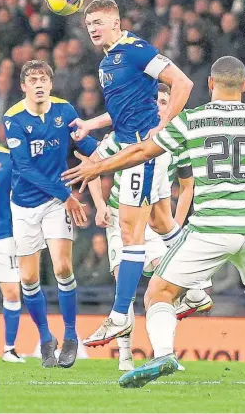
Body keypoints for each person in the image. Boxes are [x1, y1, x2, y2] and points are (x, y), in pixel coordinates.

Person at [63, 56, 245, 389]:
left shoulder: (192, 120)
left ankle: (163, 354)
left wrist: (98, 168)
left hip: (210, 228)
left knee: (158, 292)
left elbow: (142, 151)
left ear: (210, 84)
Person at [69, 0, 193, 342]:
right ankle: (197, 288)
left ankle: (120, 314)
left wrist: (164, 124)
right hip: (126, 140)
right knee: (158, 221)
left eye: (98, 22)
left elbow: (183, 83)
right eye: (88, 23)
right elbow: (122, 112)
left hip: (143, 149)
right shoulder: (108, 61)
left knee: (129, 231)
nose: (92, 28)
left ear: (116, 22)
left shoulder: (136, 49)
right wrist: (89, 124)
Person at [82, 83, 212, 371]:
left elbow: (187, 188)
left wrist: (175, 226)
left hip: (151, 219)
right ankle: (125, 358)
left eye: (166, 101)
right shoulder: (130, 135)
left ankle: (165, 349)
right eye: (158, 101)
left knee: (160, 287)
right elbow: (93, 167)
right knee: (123, 280)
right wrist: (101, 206)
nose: (161, 106)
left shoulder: (175, 142)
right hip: (121, 216)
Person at [2, 60, 97, 368]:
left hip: (57, 203)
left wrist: (115, 151)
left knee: (63, 267)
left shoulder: (65, 111)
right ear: (24, 87)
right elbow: (25, 168)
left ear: (51, 84)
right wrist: (67, 195)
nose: (39, 83)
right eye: (33, 79)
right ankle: (46, 338)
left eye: (43, 78)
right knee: (28, 278)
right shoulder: (13, 118)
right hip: (26, 204)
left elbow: (87, 143)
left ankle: (70, 336)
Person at [0, 140, 25, 363]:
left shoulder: (7, 159)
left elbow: (21, 192)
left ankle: (9, 349)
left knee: (12, 292)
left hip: (2, 235)